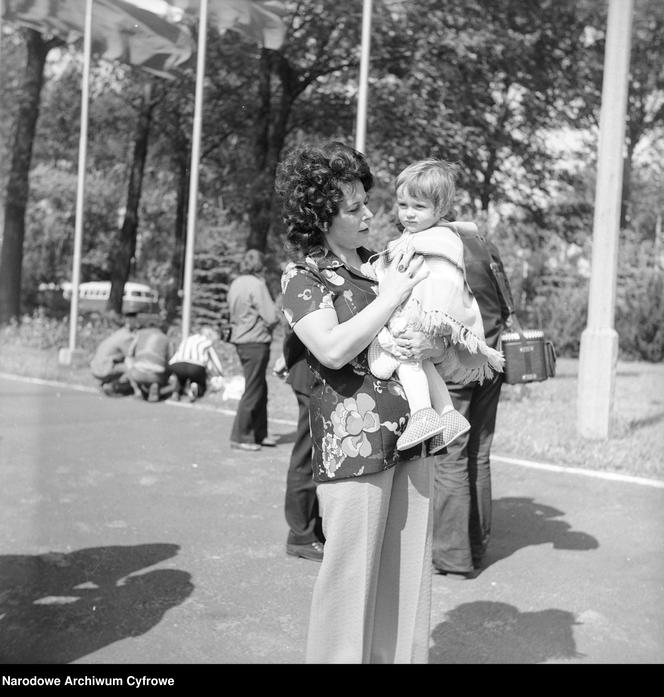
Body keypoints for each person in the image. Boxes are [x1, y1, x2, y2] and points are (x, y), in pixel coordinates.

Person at [276, 140, 438, 664]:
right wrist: (390, 296)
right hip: (355, 448)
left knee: (407, 578)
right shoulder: (303, 278)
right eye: (353, 209)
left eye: (366, 201)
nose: (370, 214)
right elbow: (333, 347)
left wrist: (427, 341)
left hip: (415, 433)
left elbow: (423, 328)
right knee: (349, 583)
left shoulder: (384, 262)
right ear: (320, 218)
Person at [364, 159, 504, 454]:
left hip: (417, 316)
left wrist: (427, 320)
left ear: (439, 209)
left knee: (404, 359)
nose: (409, 213)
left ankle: (422, 414)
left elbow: (443, 287)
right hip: (411, 311)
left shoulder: (440, 240)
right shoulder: (410, 238)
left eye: (419, 206)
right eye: (403, 205)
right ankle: (447, 412)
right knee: (421, 363)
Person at [432, 226, 514, 579]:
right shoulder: (485, 246)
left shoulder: (438, 246)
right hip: (493, 359)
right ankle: (476, 547)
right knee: (479, 453)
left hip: (459, 362)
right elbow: (507, 302)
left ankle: (453, 556)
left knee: (451, 457)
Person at [227, 249, 280, 451]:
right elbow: (271, 316)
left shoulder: (235, 283)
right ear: (260, 266)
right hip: (256, 341)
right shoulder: (257, 284)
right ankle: (241, 436)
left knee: (259, 387)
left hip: (240, 341)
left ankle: (259, 433)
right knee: (253, 389)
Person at [281, 326, 325, 563]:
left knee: (313, 454)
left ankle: (310, 528)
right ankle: (300, 535)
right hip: (311, 374)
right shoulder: (314, 287)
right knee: (306, 454)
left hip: (311, 371)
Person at [168, 325, 224, 402]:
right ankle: (195, 388)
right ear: (208, 335)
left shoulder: (187, 339)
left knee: (181, 378)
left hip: (178, 364)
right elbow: (214, 360)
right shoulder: (207, 342)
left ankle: (176, 392)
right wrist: (220, 373)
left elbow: (177, 353)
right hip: (195, 365)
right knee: (199, 380)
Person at [125, 316, 173, 402]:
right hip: (157, 374)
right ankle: (155, 385)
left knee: (127, 360)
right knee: (164, 368)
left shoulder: (140, 334)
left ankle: (138, 391)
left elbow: (130, 353)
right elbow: (170, 359)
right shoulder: (167, 339)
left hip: (138, 372)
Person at [90, 314, 137, 396]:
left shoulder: (118, 333)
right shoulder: (126, 337)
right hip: (105, 368)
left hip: (95, 367)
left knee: (120, 363)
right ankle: (115, 386)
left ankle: (105, 383)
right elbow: (132, 356)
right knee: (131, 367)